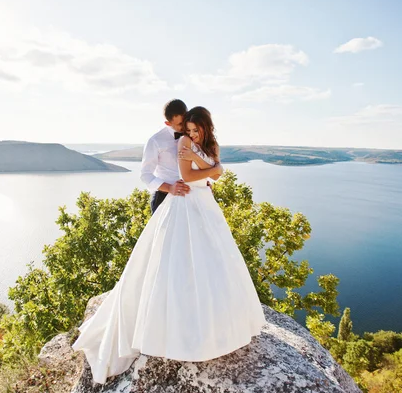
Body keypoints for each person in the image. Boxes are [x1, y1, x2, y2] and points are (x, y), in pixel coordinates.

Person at [71, 106, 266, 384]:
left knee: (209, 258)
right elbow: (159, 175)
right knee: (167, 257)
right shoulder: (160, 141)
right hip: (171, 197)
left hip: (202, 203)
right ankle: (166, 320)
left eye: (189, 127)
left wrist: (212, 172)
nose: (185, 131)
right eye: (181, 127)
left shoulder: (207, 142)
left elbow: (211, 174)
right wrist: (201, 175)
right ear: (169, 122)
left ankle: (215, 322)